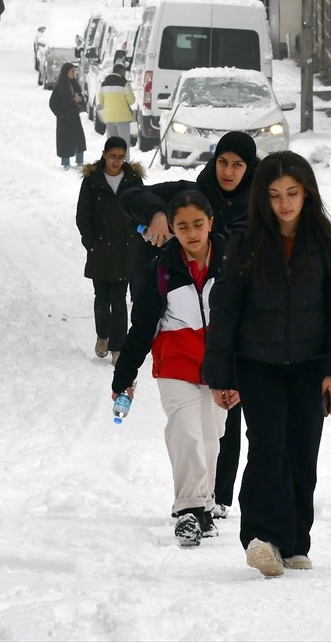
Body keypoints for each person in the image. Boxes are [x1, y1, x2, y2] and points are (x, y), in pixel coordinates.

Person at [202, 150, 331, 578]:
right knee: (268, 447)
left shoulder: (328, 244)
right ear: (263, 198)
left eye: (292, 193)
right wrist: (221, 374)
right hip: (258, 365)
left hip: (312, 366)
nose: (284, 203)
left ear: (307, 193)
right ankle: (261, 539)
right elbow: (226, 311)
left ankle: (294, 543)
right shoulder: (245, 243)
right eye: (274, 195)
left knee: (302, 452)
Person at [118, 130, 260, 521]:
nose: (228, 171)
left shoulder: (259, 207)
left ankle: (216, 498)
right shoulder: (190, 193)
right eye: (223, 162)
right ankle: (194, 505)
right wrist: (156, 213)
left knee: (219, 427)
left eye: (238, 165)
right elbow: (129, 195)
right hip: (179, 333)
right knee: (188, 427)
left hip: (227, 337)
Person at [112, 190, 227, 548]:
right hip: (176, 365)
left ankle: (205, 506)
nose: (191, 233)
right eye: (183, 226)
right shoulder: (161, 270)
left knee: (211, 437)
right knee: (185, 431)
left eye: (198, 224)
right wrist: (124, 376)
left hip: (219, 367)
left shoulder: (231, 264)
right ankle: (189, 510)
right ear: (173, 229)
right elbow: (142, 328)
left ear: (210, 223)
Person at [77, 136, 145, 363]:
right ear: (104, 155)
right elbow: (83, 215)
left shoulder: (133, 180)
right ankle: (102, 336)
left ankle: (118, 347)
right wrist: (91, 242)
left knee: (119, 299)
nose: (116, 162)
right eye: (112, 156)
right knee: (101, 298)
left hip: (126, 249)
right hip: (100, 249)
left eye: (121, 157)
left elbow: (142, 210)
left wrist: (137, 237)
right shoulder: (92, 180)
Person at [49, 62, 88, 169]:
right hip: (64, 119)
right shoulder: (59, 87)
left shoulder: (74, 85)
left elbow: (81, 97)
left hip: (74, 116)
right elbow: (52, 103)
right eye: (72, 71)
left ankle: (80, 160)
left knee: (79, 139)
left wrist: (80, 100)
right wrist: (61, 114)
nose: (73, 73)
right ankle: (65, 162)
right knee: (65, 141)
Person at [99, 63, 135, 145]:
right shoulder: (124, 83)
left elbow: (100, 100)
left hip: (109, 118)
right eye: (124, 72)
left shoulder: (104, 84)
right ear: (121, 72)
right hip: (123, 118)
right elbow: (132, 101)